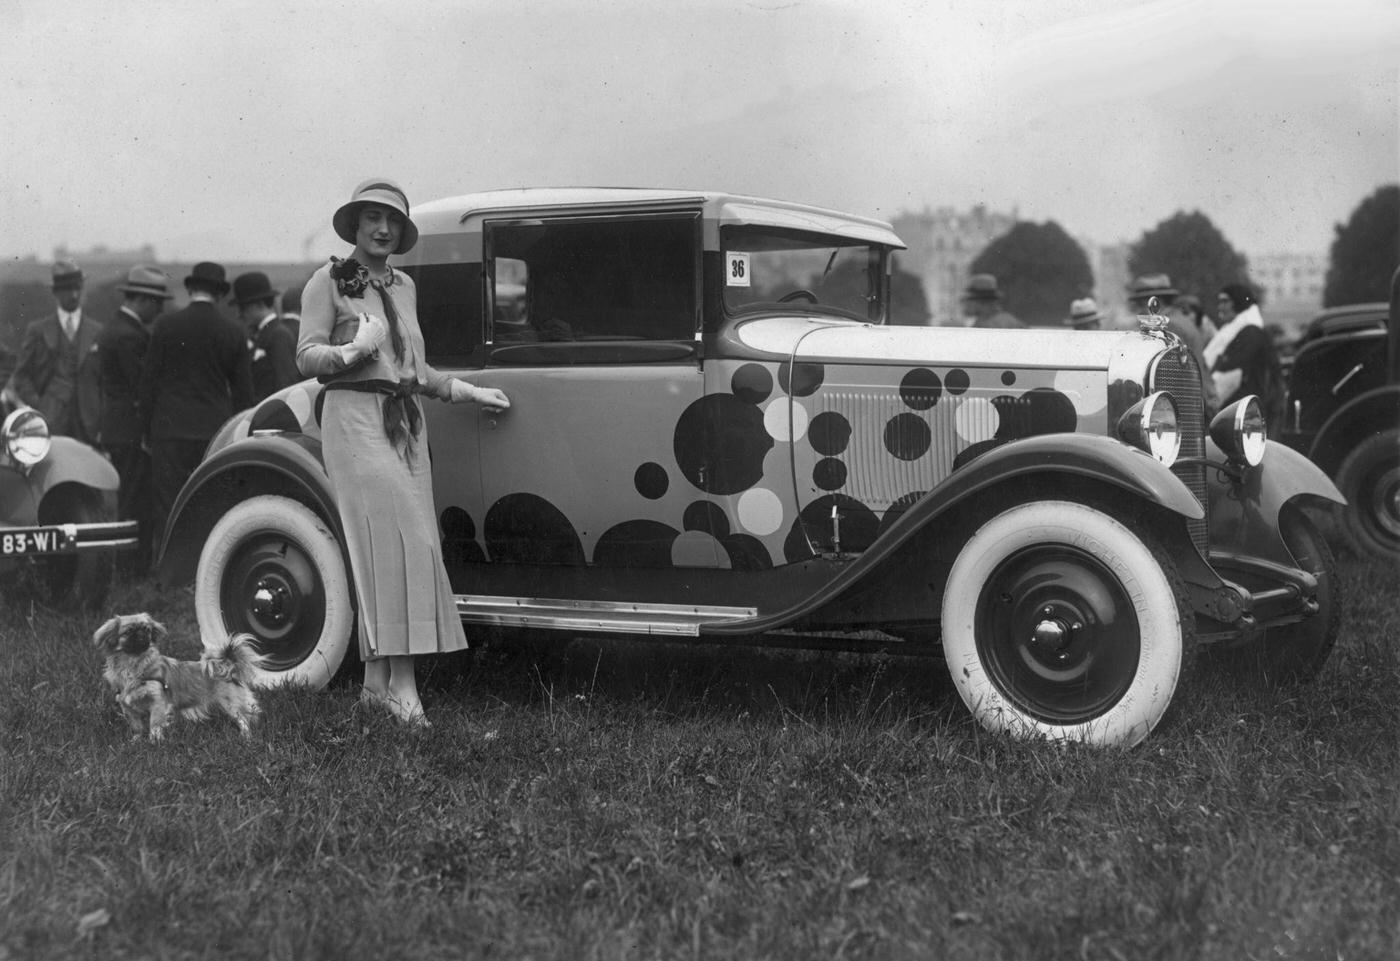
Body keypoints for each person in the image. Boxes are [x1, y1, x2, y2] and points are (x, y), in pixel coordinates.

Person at [296, 178, 510, 726]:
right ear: (356, 224)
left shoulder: (406, 287)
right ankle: (404, 689)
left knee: (398, 545)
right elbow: (306, 357)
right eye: (373, 218)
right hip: (354, 419)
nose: (383, 229)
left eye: (392, 220)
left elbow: (415, 371)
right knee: (400, 544)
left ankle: (374, 684)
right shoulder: (328, 280)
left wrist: (463, 391)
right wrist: (352, 350)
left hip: (406, 423)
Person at [138, 262, 253, 565]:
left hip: (169, 428)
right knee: (212, 502)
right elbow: (244, 395)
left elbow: (148, 383)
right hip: (215, 431)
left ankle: (168, 573)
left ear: (190, 289)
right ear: (218, 292)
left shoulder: (165, 325)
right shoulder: (234, 331)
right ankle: (209, 570)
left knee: (168, 503)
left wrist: (145, 430)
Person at [96, 265, 174, 574]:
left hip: (117, 426)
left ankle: (128, 566)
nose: (158, 310)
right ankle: (132, 568)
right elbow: (141, 386)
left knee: (127, 496)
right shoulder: (131, 337)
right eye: (157, 304)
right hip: (130, 429)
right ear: (142, 300)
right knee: (134, 499)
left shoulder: (114, 328)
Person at [6, 261, 103, 443]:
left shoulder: (97, 331)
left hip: (89, 424)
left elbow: (106, 379)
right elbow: (21, 376)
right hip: (50, 422)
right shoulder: (37, 330)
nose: (74, 295)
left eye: (77, 288)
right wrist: (39, 405)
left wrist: (100, 416)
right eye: (67, 290)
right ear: (55, 293)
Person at [1128, 273, 1219, 413]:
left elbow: (1167, 374)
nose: (1139, 311)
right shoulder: (1182, 320)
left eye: (1142, 304)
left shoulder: (1166, 327)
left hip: (1177, 405)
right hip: (1193, 400)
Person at [1204, 283, 1284, 429]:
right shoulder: (1240, 330)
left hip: (1244, 411)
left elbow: (1231, 373)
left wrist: (1209, 401)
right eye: (1219, 302)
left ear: (1238, 301)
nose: (1220, 307)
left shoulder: (1250, 332)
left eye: (1225, 301)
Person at [232, 271, 299, 401]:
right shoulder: (263, 334)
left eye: (242, 308)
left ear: (259, 304)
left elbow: (285, 386)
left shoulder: (278, 335)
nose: (238, 314)